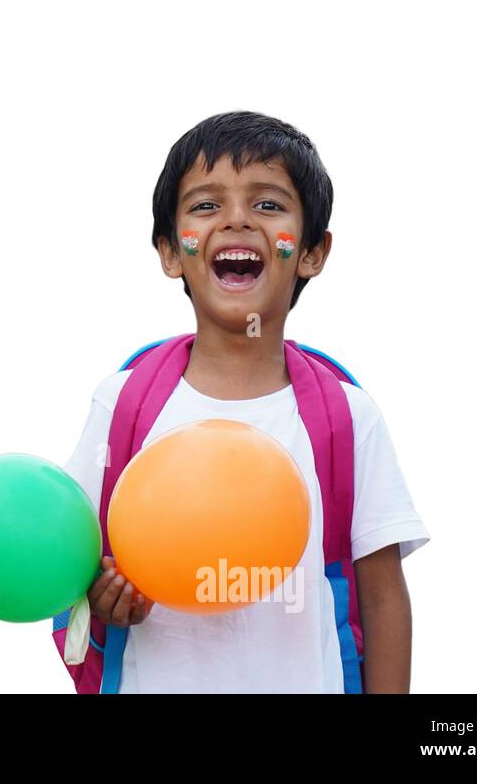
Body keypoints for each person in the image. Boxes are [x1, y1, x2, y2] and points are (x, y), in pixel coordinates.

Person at [61, 110, 429, 693]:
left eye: (267, 204)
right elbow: (70, 569)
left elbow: (383, 600)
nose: (236, 220)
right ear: (169, 251)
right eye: (206, 206)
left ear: (312, 252)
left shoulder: (347, 416)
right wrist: (103, 603)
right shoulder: (123, 403)